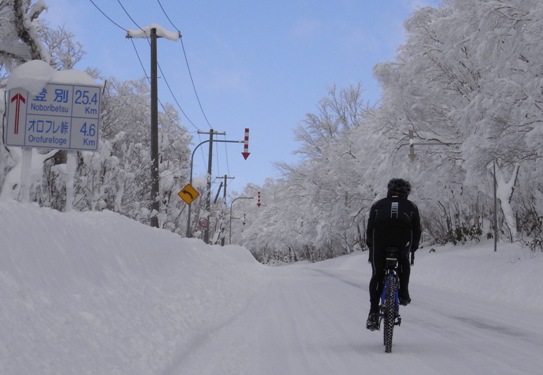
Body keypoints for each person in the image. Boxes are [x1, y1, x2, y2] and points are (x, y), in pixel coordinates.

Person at [365, 178, 421, 331]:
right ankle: (403, 294)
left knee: (377, 273)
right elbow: (416, 230)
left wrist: (371, 245)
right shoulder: (411, 206)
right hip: (402, 238)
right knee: (403, 261)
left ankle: (373, 312)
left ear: (389, 191)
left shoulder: (378, 204)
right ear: (406, 193)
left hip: (380, 238)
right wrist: (413, 248)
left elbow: (370, 229)